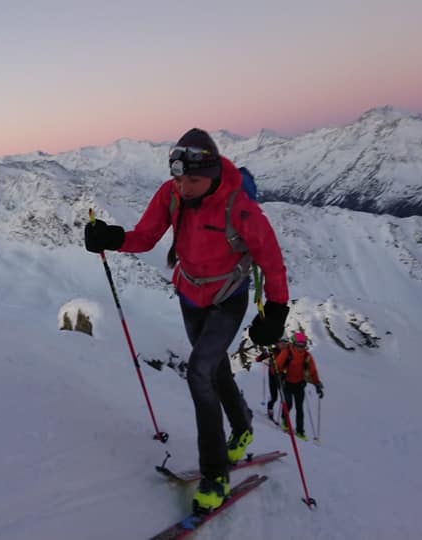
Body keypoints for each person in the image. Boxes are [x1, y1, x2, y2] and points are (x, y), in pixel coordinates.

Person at [84, 128, 290, 514]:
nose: (184, 186)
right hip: (189, 294)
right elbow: (145, 237)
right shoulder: (171, 195)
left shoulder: (239, 207)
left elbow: (271, 260)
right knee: (213, 368)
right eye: (179, 177)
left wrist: (276, 311)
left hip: (228, 298)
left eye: (193, 179)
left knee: (199, 371)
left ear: (213, 174)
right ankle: (243, 424)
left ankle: (216, 476)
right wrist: (110, 238)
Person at [273, 331, 324, 440]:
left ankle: (300, 432)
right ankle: (285, 421)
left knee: (299, 409)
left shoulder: (307, 356)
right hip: (286, 383)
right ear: (294, 343)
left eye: (303, 345)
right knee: (289, 404)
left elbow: (312, 371)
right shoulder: (286, 352)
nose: (301, 348)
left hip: (299, 384)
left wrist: (317, 384)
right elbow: (276, 366)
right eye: (298, 345)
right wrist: (278, 373)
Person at [257, 338, 290, 422]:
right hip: (273, 376)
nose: (283, 345)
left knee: (285, 398)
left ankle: (284, 419)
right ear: (277, 343)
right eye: (281, 343)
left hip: (283, 377)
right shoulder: (273, 351)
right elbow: (257, 359)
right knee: (274, 397)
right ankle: (270, 410)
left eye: (285, 343)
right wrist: (264, 355)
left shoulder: (289, 353)